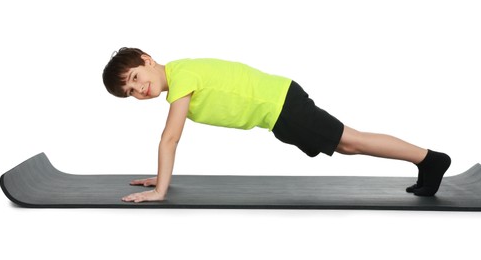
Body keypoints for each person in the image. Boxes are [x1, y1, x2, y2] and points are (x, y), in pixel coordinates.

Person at [102, 47, 451, 203]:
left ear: (148, 60)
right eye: (130, 92)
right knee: (348, 142)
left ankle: (429, 159)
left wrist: (160, 190)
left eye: (135, 78)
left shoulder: (182, 78)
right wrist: (162, 176)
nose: (138, 90)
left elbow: (170, 138)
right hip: (279, 110)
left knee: (351, 142)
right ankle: (427, 160)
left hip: (282, 105)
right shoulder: (179, 77)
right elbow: (173, 137)